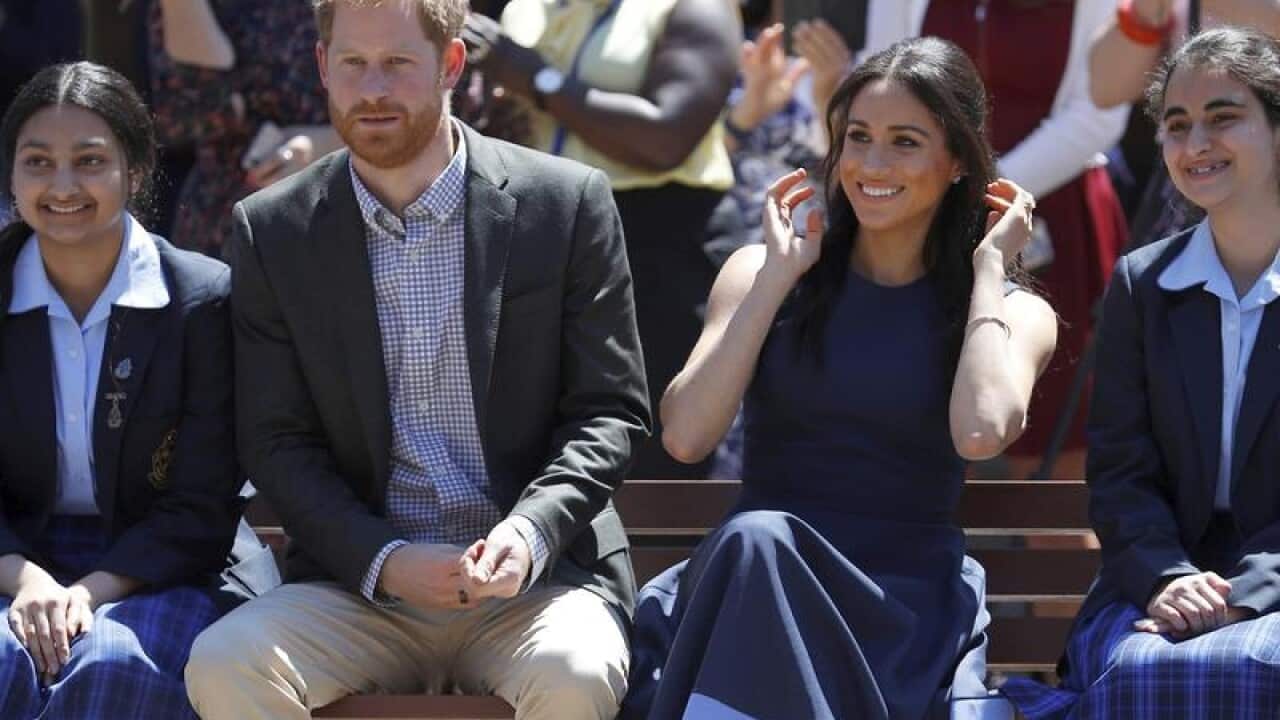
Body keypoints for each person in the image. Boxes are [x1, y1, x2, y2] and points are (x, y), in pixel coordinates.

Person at [182, 1, 650, 718]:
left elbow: (608, 412)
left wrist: (529, 533)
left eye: (398, 63)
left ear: (451, 64)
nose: (373, 89)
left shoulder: (563, 203)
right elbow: (276, 441)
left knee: (573, 671)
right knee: (224, 664)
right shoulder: (273, 229)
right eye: (353, 63)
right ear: (322, 66)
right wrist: (386, 560)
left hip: (539, 584)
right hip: (359, 590)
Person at [622, 37, 1058, 720]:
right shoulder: (761, 272)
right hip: (752, 582)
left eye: (905, 142)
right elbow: (685, 436)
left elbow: (981, 433)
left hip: (897, 611)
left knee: (759, 542)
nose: (872, 165)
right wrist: (777, 278)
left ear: (956, 162)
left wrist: (987, 269)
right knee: (760, 540)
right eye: (858, 137)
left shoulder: (1012, 311)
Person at [1002, 27, 1280, 717]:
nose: (1195, 144)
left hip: (1270, 591)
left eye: (1223, 117)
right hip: (1155, 588)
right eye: (1177, 125)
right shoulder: (1142, 284)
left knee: (1253, 666)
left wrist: (1241, 596)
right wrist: (1168, 578)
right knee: (1141, 672)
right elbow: (1121, 471)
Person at [0, 61, 243, 719]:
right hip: (14, 560)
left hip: (158, 568)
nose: (63, 186)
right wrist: (29, 581)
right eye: (38, 162)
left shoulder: (201, 300)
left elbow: (201, 505)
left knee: (112, 662)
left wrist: (86, 593)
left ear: (134, 172)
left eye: (89, 161)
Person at [463, 0, 739, 479]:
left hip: (657, 242)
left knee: (653, 445)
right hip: (541, 232)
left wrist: (539, 80)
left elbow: (667, 137)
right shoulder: (524, 10)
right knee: (540, 434)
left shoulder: (693, 8)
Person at [858, 0, 1130, 480]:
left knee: (1058, 445)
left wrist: (979, 190)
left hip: (1057, 219)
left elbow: (1098, 114)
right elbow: (881, 80)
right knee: (920, 429)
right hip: (920, 214)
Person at [148, 0, 341, 257]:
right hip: (225, 227)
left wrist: (328, 146)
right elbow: (187, 115)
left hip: (335, 210)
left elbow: (392, 97)